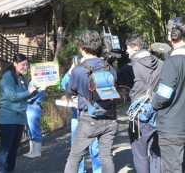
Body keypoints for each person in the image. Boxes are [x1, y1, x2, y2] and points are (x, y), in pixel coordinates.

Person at [64, 30, 118, 173]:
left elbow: (71, 90)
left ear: (82, 48)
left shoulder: (78, 70)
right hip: (110, 117)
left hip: (89, 119)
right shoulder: (109, 67)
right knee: (106, 156)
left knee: (74, 157)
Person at [0, 53, 46, 173]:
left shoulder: (21, 78)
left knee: (14, 148)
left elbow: (27, 97)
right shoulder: (7, 77)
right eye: (23, 65)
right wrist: (28, 91)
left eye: (27, 65)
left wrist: (39, 90)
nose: (25, 67)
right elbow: (12, 96)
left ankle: (11, 170)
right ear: (14, 63)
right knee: (6, 148)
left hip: (20, 117)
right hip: (8, 117)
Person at [152, 17, 185, 172]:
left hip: (172, 129)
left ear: (174, 35)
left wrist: (152, 102)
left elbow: (163, 96)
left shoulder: (172, 62)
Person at [125, 34, 162, 173]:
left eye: (128, 48)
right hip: (159, 113)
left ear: (136, 47)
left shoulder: (130, 68)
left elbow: (119, 91)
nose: (126, 51)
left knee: (140, 154)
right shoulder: (162, 64)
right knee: (156, 153)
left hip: (139, 117)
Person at [61, 56, 101, 173]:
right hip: (77, 116)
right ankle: (80, 171)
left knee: (94, 147)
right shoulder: (75, 73)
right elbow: (64, 84)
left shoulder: (90, 72)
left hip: (90, 114)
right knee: (77, 149)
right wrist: (71, 69)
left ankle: (98, 170)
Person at [23, 79, 45, 158]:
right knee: (29, 129)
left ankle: (37, 151)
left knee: (34, 129)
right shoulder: (31, 80)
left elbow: (33, 95)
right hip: (29, 105)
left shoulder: (40, 80)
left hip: (34, 105)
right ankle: (32, 150)